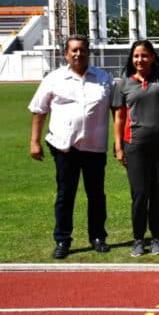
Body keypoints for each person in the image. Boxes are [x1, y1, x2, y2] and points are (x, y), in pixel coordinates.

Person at [28, 34, 114, 259]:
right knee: (65, 194)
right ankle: (62, 240)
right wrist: (34, 142)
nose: (78, 54)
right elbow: (39, 110)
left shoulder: (104, 78)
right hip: (65, 146)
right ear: (65, 53)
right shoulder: (54, 79)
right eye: (74, 50)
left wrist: (119, 141)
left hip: (94, 147)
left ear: (89, 52)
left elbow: (118, 111)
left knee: (96, 194)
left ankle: (97, 236)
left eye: (82, 49)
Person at [112, 9, 159, 256]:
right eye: (136, 56)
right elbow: (119, 117)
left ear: (153, 58)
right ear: (132, 59)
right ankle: (138, 239)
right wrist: (118, 147)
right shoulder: (124, 83)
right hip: (136, 146)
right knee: (140, 194)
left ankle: (157, 239)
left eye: (145, 55)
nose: (140, 59)